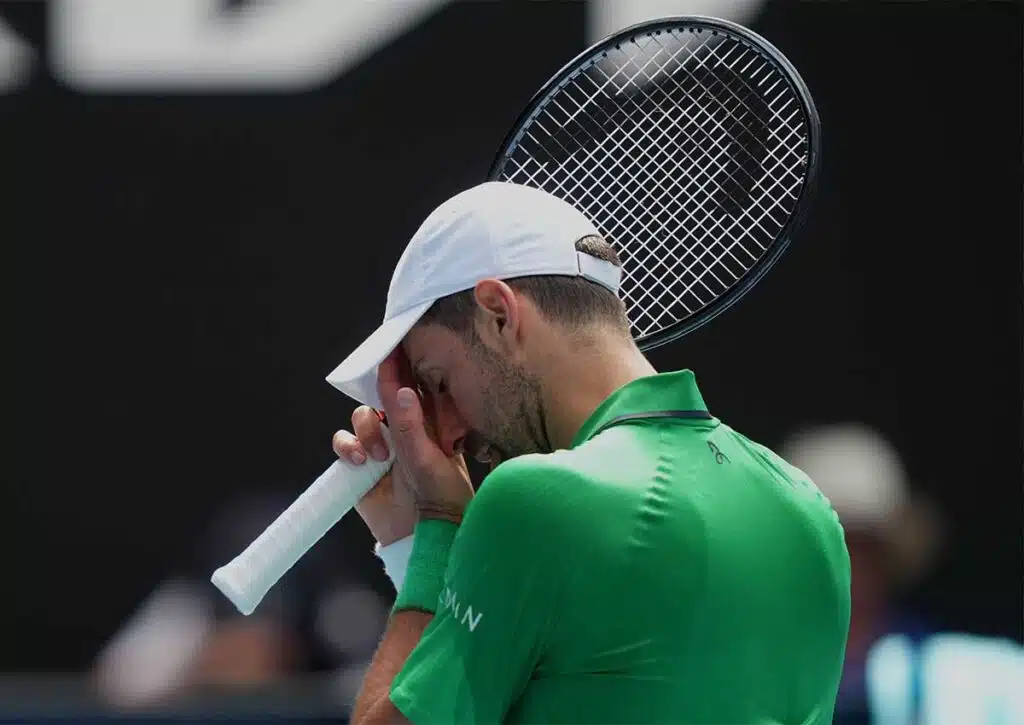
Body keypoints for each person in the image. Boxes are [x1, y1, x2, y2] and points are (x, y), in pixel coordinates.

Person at [326, 181, 852, 724]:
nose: (451, 431)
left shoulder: (533, 503)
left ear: (499, 314)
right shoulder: (808, 509)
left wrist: (432, 530)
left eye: (438, 381)